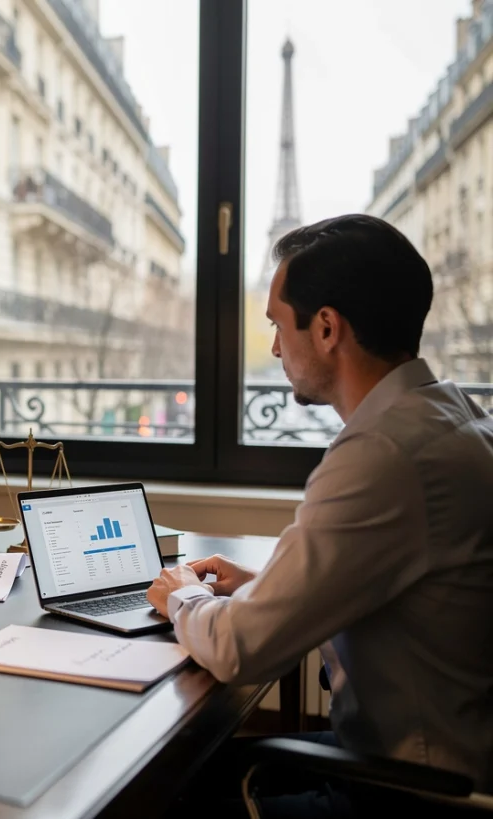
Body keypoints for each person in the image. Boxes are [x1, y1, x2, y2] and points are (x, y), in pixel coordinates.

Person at [147, 214, 493, 817]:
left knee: (160, 792)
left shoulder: (383, 455)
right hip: (450, 755)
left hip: (416, 792)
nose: (275, 347)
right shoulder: (454, 416)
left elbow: (237, 649)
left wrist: (181, 594)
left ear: (328, 328)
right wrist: (264, 587)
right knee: (195, 766)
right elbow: (400, 587)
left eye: (278, 325)